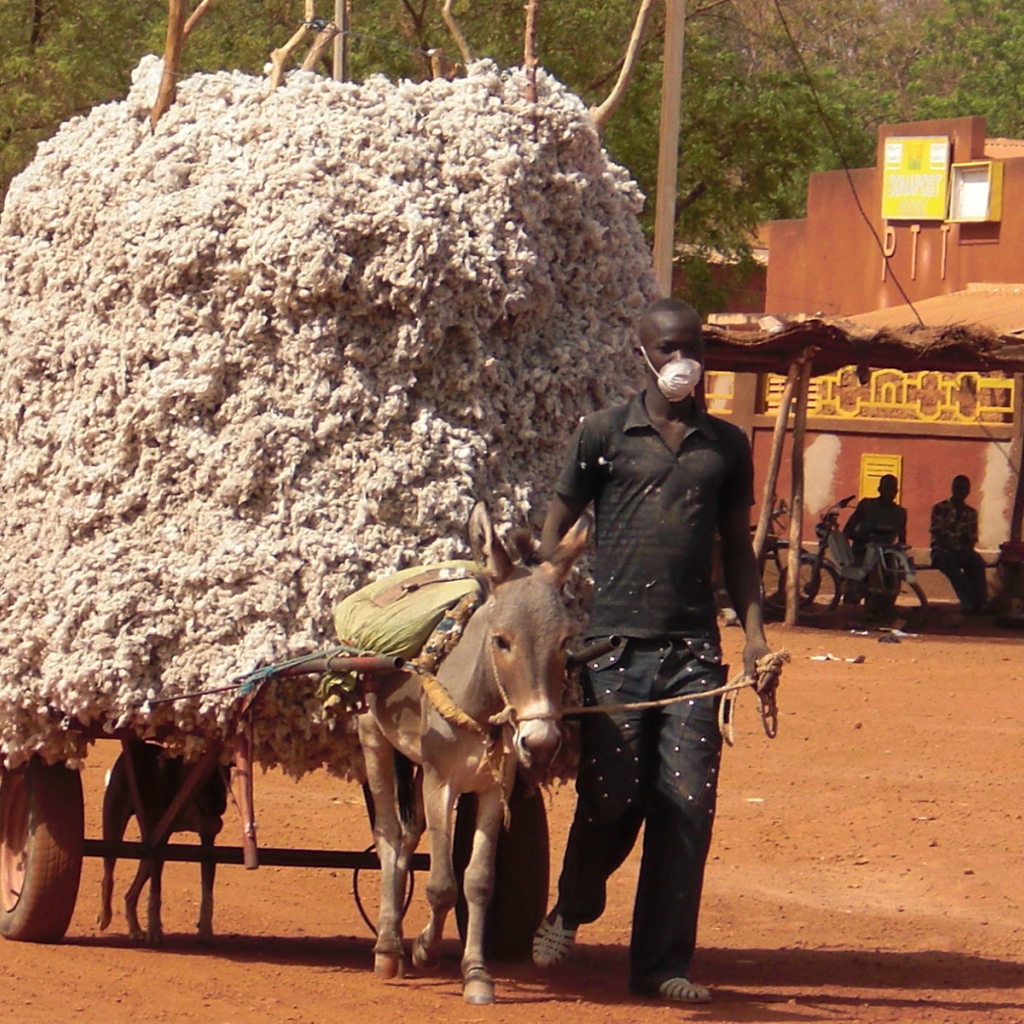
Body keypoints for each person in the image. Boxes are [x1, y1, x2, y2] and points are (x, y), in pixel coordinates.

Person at [530, 297, 770, 1004]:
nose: (681, 360)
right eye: (667, 348)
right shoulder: (604, 434)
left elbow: (738, 550)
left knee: (686, 805)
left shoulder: (726, 446)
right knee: (612, 798)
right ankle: (573, 905)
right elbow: (555, 531)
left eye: (691, 346)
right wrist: (549, 609)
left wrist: (753, 637)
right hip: (613, 651)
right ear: (642, 353)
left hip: (694, 651)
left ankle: (662, 965)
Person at [840, 474, 909, 603]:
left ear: (896, 492)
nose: (889, 493)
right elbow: (848, 530)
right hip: (863, 550)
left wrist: (900, 553)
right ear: (879, 489)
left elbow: (902, 539)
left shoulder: (900, 513)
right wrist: (867, 538)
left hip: (887, 555)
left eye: (892, 490)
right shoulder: (866, 505)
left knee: (892, 572)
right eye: (886, 489)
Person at [930, 475, 987, 614]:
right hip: (942, 551)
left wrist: (966, 552)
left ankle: (982, 603)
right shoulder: (940, 508)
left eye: (963, 488)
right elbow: (937, 533)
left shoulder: (971, 513)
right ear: (952, 489)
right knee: (952, 567)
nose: (959, 491)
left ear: (968, 491)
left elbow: (972, 537)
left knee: (978, 563)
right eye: (957, 487)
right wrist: (952, 550)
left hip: (963, 551)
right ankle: (970, 604)